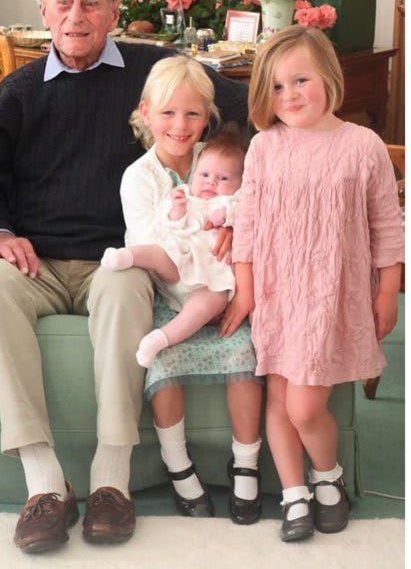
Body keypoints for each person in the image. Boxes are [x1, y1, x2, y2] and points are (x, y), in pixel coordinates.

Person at [0, 0, 247, 554]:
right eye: (63, 3)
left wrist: (246, 196)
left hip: (113, 261)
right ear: (43, 11)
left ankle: (110, 481)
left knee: (124, 284)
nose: (76, 15)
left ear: (115, 11)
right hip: (32, 263)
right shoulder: (17, 92)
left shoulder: (153, 71)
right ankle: (43, 483)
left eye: (91, 2)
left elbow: (243, 111)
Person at [221, 25, 404, 542]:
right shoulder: (265, 148)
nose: (290, 95)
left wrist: (387, 289)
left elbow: (386, 224)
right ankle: (295, 492)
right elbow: (249, 226)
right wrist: (248, 288)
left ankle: (329, 474)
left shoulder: (361, 145)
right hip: (279, 293)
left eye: (301, 80)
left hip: (331, 295)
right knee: (278, 400)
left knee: (304, 405)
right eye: (277, 87)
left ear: (328, 75)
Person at [107, 56, 263, 524]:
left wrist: (235, 234)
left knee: (244, 358)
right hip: (169, 293)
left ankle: (247, 466)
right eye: (169, 113)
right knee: (162, 368)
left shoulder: (217, 160)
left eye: (193, 114)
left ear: (208, 117)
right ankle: (179, 468)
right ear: (146, 114)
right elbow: (149, 247)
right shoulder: (140, 177)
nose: (181, 125)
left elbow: (248, 207)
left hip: (221, 288)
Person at [105, 109, 246, 369]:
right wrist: (177, 211)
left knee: (208, 304)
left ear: (239, 183)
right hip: (178, 261)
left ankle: (160, 339)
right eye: (204, 175)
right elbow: (167, 225)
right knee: (158, 253)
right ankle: (124, 256)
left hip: (212, 278)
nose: (211, 183)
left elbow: (248, 215)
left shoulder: (234, 201)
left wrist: (226, 216)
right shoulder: (184, 195)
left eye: (223, 178)